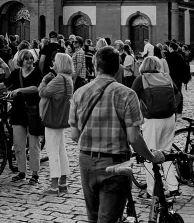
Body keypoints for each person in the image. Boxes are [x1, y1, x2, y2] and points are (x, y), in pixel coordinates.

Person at [70, 46, 165, 222]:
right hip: (115, 163)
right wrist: (152, 157)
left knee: (93, 218)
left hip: (87, 161)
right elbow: (134, 137)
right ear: (118, 67)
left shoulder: (79, 93)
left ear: (96, 65)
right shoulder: (127, 94)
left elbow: (74, 135)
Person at [0, 47, 42, 183]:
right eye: (26, 59)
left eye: (31, 58)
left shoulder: (36, 72)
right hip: (18, 111)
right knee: (18, 144)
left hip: (33, 111)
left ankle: (35, 174)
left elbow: (36, 88)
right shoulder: (16, 73)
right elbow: (4, 84)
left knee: (34, 144)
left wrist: (20, 90)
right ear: (21, 60)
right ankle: (22, 171)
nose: (29, 61)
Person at [130, 56, 179, 198]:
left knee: (149, 154)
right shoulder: (166, 77)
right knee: (166, 153)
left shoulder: (141, 79)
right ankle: (173, 187)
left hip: (152, 120)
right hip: (169, 118)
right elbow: (178, 95)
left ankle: (152, 191)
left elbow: (131, 97)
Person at [38, 53, 74, 195]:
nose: (53, 63)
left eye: (55, 61)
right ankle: (63, 183)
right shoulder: (68, 78)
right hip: (62, 117)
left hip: (53, 117)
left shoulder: (59, 79)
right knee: (61, 150)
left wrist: (44, 80)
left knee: (52, 151)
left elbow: (42, 92)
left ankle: (54, 185)